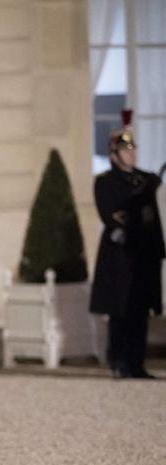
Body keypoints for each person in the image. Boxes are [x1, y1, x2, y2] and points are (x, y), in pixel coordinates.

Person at [90, 109, 164, 379]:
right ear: (114, 154)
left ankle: (136, 363)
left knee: (140, 311)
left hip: (144, 255)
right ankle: (119, 361)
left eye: (133, 149)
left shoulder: (146, 179)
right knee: (119, 312)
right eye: (125, 150)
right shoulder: (106, 183)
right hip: (121, 256)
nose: (131, 154)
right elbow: (114, 215)